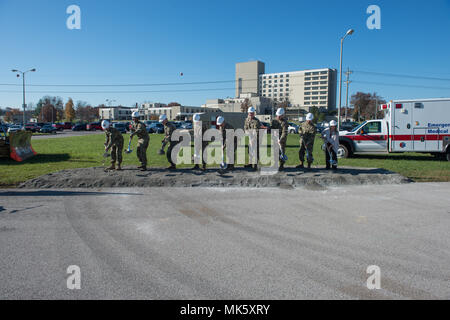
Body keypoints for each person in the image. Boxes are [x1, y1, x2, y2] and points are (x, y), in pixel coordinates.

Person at [244, 107, 261, 171]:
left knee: (255, 152)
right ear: (248, 113)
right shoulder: (246, 120)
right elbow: (245, 128)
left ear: (254, 113)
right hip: (250, 137)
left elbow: (256, 131)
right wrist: (248, 133)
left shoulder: (256, 121)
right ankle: (250, 163)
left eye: (252, 113)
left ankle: (256, 165)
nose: (250, 114)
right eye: (249, 113)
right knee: (249, 151)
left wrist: (253, 138)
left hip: (256, 138)